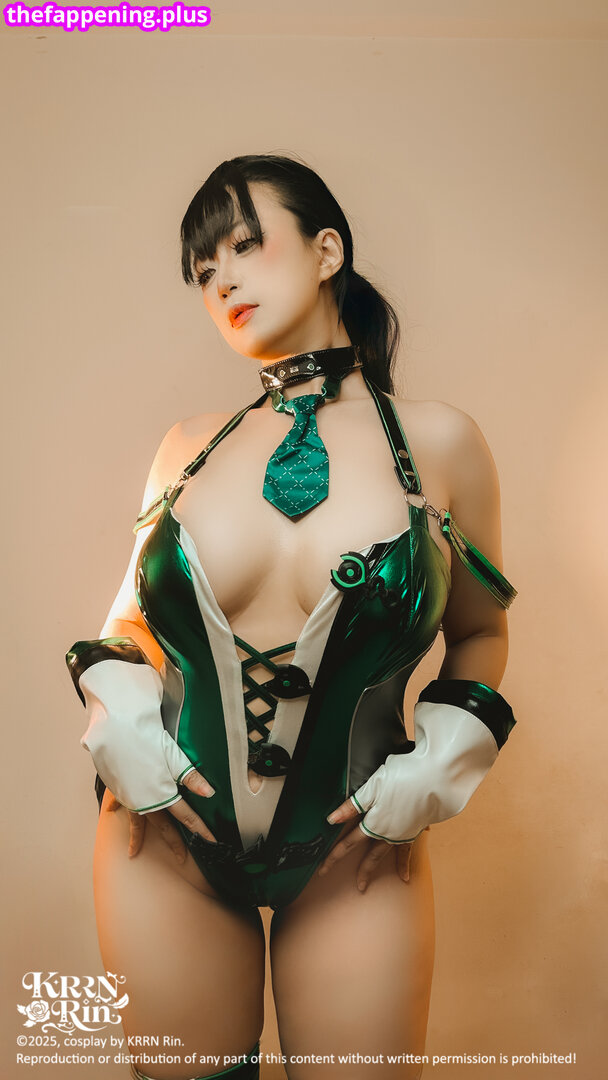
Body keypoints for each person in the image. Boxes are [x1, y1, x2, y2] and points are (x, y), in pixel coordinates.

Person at [66, 154, 517, 1080]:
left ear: (326, 251)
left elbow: (479, 631)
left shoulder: (440, 442)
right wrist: (126, 737)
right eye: (203, 271)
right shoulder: (186, 450)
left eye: (244, 245)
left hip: (353, 854)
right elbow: (129, 625)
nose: (221, 281)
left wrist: (431, 770)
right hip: (164, 844)